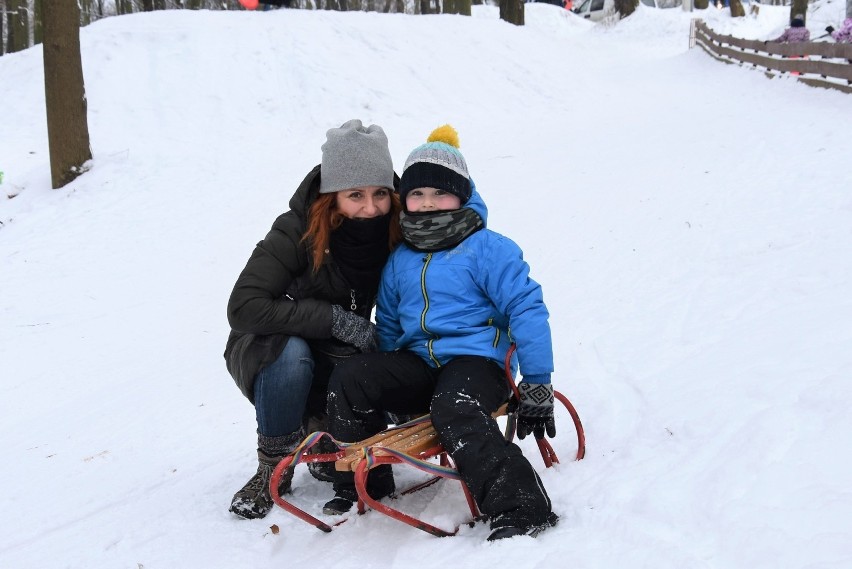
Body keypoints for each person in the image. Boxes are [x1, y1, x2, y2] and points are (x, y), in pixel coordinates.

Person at [324, 125, 559, 541]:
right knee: (351, 378)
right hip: (421, 364)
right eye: (417, 194)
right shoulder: (401, 258)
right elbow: (392, 324)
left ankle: (522, 506)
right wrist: (388, 377)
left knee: (456, 404)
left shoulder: (488, 247)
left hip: (479, 365)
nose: (428, 202)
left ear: (463, 194)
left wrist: (537, 381)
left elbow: (526, 308)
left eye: (440, 192)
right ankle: (364, 482)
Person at [225, 119, 403, 519]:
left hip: (341, 354)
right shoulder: (296, 229)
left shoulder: (395, 227)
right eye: (355, 195)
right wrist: (334, 320)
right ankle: (274, 464)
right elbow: (244, 305)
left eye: (379, 194)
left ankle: (324, 435)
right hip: (270, 346)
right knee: (293, 353)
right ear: (332, 194)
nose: (370, 207)